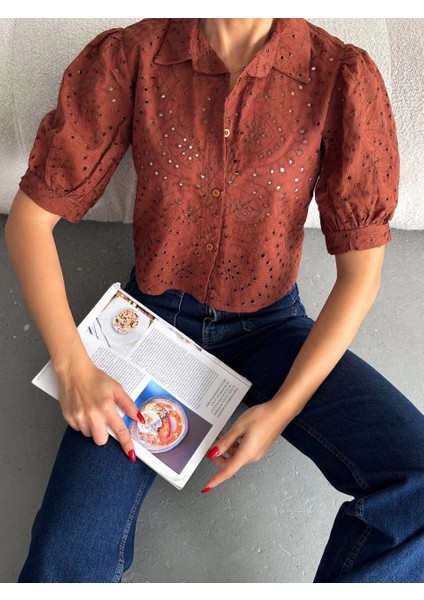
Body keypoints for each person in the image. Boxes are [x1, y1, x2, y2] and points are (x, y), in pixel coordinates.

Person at [5, 17, 424, 583]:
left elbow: (361, 275)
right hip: (151, 325)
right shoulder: (134, 56)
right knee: (62, 559)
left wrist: (283, 408)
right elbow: (29, 223)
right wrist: (73, 366)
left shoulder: (338, 75)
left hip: (272, 329)